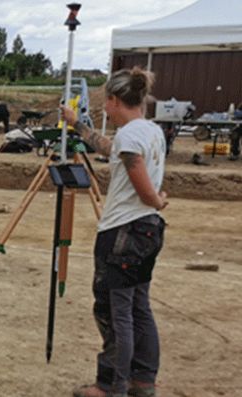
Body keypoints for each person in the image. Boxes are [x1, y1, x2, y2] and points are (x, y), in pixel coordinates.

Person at [65, 67, 168, 397]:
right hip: (146, 230)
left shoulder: (130, 136)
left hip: (124, 231)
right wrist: (76, 125)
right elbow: (109, 148)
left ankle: (110, 386)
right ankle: (142, 380)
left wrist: (157, 200)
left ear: (114, 100)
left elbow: (141, 183)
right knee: (139, 307)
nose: (103, 108)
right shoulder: (150, 131)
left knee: (114, 311)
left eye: (105, 101)